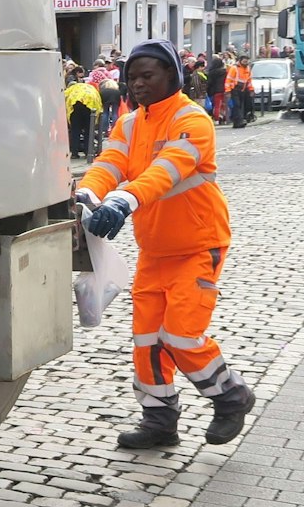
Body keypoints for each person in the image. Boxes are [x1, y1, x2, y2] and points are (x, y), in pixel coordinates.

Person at [78, 41, 255, 449]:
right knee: (147, 339)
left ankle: (231, 396)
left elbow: (167, 170)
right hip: (155, 250)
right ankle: (159, 421)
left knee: (181, 335)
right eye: (132, 77)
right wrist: (88, 193)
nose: (137, 84)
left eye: (147, 76)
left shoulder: (193, 120)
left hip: (199, 245)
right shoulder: (128, 124)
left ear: (172, 76)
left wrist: (124, 199)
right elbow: (109, 164)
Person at [65, 70, 101, 158]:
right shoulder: (88, 87)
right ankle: (88, 152)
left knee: (75, 130)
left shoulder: (70, 89)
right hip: (89, 105)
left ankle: (74, 153)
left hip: (75, 106)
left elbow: (65, 101)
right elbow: (98, 100)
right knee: (88, 130)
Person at [205, 52, 227, 123]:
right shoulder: (225, 72)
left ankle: (217, 119)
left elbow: (209, 83)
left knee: (217, 105)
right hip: (224, 90)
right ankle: (223, 117)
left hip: (216, 91)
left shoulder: (212, 72)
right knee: (223, 105)